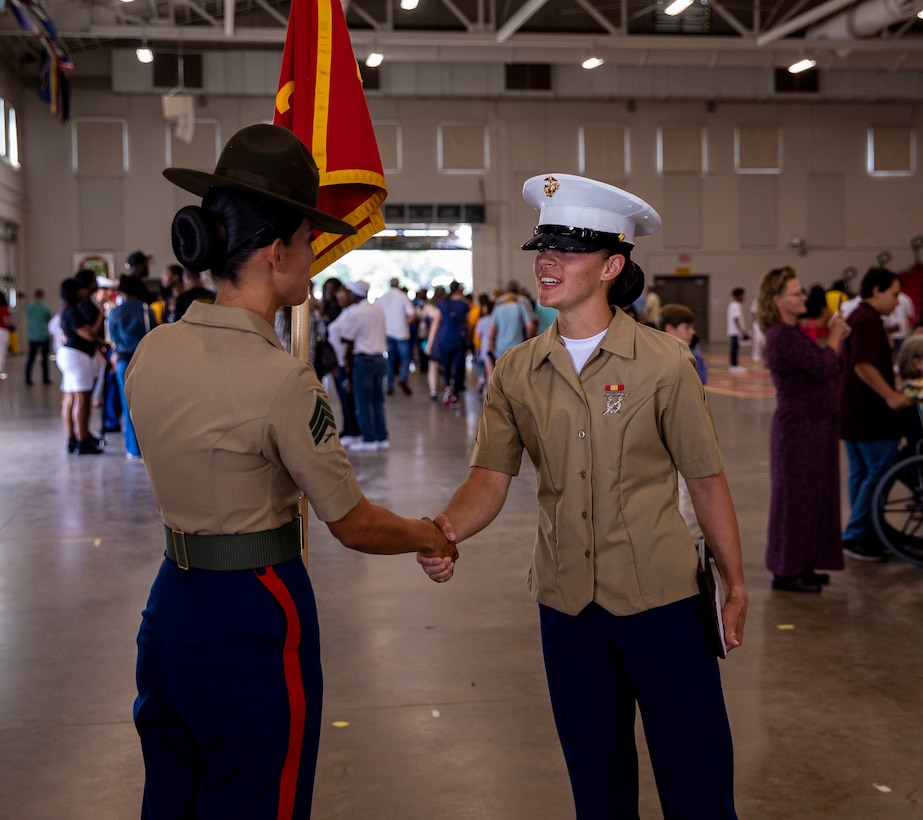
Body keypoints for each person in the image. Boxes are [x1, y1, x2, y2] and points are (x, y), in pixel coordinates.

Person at [124, 124, 457, 820]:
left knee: (172, 798)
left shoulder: (152, 351)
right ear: (276, 253)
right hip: (252, 612)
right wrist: (430, 534)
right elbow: (356, 525)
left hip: (168, 610)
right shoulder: (282, 382)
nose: (315, 259)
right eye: (309, 243)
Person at [419, 173, 747, 819]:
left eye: (568, 250)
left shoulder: (662, 363)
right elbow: (488, 479)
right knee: (595, 781)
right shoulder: (517, 370)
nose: (547, 261)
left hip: (660, 599)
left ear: (611, 265)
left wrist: (733, 586)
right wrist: (443, 532)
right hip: (567, 602)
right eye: (544, 248)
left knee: (695, 776)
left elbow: (704, 480)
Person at [757, 267, 850, 592]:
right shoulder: (781, 335)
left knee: (814, 497)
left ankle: (804, 562)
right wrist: (836, 338)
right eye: (796, 293)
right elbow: (824, 366)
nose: (803, 297)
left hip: (814, 424)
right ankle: (786, 570)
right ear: (778, 300)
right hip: (799, 428)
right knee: (796, 500)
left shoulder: (792, 332)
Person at [839, 267, 911, 562]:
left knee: (862, 473)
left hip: (853, 412)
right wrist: (891, 395)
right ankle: (856, 534)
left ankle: (863, 532)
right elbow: (863, 365)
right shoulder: (866, 321)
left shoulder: (860, 317)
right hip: (869, 415)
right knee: (879, 471)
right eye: (894, 295)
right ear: (877, 290)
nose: (897, 302)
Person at [660, 302, 708, 541]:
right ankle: (691, 536)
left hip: (689, 428)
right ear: (670, 329)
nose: (691, 332)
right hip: (670, 431)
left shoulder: (691, 354)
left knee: (689, 483)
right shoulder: (664, 357)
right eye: (686, 327)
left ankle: (693, 533)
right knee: (683, 485)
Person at [335, 280, 390, 451]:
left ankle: (369, 439)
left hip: (364, 359)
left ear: (355, 294)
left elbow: (345, 337)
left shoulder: (356, 312)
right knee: (377, 400)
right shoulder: (378, 310)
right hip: (380, 359)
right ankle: (382, 437)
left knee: (364, 401)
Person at [107, 275, 156, 461]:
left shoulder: (115, 312)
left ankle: (133, 448)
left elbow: (113, 338)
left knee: (126, 402)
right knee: (145, 403)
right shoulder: (146, 309)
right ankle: (147, 446)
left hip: (123, 361)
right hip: (144, 359)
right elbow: (154, 332)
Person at [56, 277, 105, 454]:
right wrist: (102, 311)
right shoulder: (72, 312)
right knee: (82, 400)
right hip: (77, 356)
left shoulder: (65, 309)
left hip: (69, 354)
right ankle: (82, 440)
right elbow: (89, 334)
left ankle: (72, 438)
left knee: (69, 399)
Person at [428, 280, 470, 405]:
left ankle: (447, 387)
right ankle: (456, 391)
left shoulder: (442, 304)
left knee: (446, 366)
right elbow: (467, 325)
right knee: (458, 366)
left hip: (445, 338)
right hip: (459, 339)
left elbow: (435, 325)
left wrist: (429, 344)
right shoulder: (464, 305)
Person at [375, 276, 415, 396]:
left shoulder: (383, 297)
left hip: (387, 332)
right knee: (405, 358)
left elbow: (376, 311)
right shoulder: (403, 297)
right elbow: (412, 315)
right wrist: (406, 322)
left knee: (390, 359)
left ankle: (389, 385)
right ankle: (403, 377)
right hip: (402, 332)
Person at [24, 288, 53, 386]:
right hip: (43, 335)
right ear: (42, 296)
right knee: (45, 359)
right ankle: (45, 379)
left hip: (32, 336)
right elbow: (49, 320)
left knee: (31, 358)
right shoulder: (45, 309)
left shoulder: (29, 308)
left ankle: (28, 378)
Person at [726, 286, 749, 373]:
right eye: (742, 295)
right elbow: (736, 319)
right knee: (734, 348)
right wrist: (743, 330)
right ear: (738, 296)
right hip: (735, 331)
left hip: (733, 331)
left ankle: (734, 365)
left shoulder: (732, 305)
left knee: (735, 348)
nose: (743, 297)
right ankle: (734, 366)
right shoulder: (736, 305)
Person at [0, 291, 13, 381]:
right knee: (1, 352)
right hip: (2, 331)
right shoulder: (4, 308)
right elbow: (6, 321)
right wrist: (11, 323)